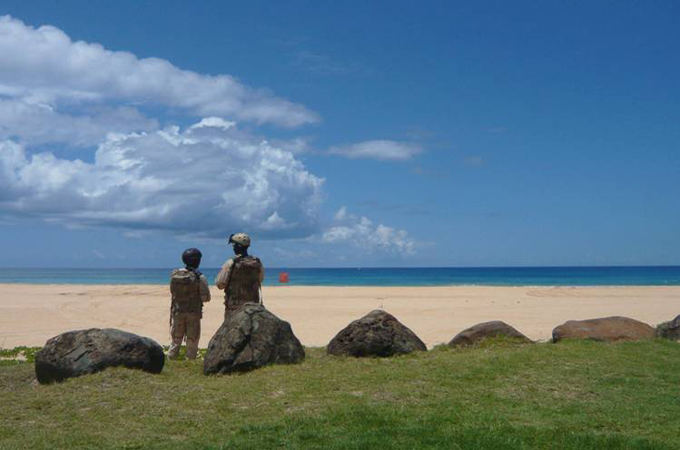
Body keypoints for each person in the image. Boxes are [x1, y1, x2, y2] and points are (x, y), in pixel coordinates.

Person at [168, 248, 210, 360]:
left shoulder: (175, 274)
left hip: (177, 311)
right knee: (192, 339)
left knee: (176, 339)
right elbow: (206, 298)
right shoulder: (199, 277)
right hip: (193, 312)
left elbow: (172, 291)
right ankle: (190, 361)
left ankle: (171, 359)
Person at [215, 233, 265, 320]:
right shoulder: (257, 262)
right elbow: (260, 279)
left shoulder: (231, 262)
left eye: (234, 245)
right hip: (253, 306)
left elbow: (220, 284)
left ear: (237, 246)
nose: (233, 248)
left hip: (234, 307)